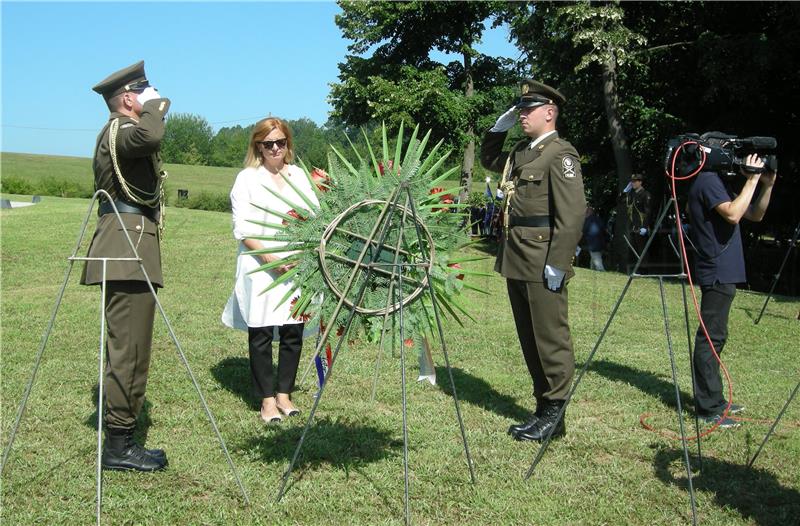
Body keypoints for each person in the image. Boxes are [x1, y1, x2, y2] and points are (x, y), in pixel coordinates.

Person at [481, 79, 586, 442]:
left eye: (528, 110)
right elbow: (489, 159)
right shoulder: (523, 153)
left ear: (549, 112)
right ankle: (543, 408)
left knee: (550, 337)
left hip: (543, 258)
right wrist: (498, 129)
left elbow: (572, 215)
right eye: (520, 110)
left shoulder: (561, 154)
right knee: (529, 337)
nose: (522, 115)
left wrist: (558, 261)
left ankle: (555, 412)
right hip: (517, 255)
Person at [80, 61, 170, 471]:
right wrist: (157, 104)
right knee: (130, 350)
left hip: (129, 242)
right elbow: (152, 134)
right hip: (127, 246)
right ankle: (119, 446)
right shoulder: (122, 131)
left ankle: (121, 436)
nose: (152, 101)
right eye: (144, 95)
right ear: (130, 98)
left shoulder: (119, 133)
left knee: (130, 347)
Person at [222, 117, 319, 424]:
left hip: (297, 263)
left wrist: (301, 257)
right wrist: (271, 260)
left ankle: (284, 394)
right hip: (260, 264)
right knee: (261, 330)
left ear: (287, 143)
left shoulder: (300, 176)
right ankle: (266, 401)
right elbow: (242, 228)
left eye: (280, 142)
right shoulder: (247, 179)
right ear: (258, 147)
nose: (275, 148)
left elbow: (314, 216)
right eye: (268, 144)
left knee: (294, 329)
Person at [687, 153, 776, 428]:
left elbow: (754, 214)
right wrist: (751, 178)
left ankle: (714, 399)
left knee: (717, 336)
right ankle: (707, 408)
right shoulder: (707, 180)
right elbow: (734, 214)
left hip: (723, 270)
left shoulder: (717, 181)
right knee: (710, 338)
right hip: (716, 270)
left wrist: (766, 184)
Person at [623, 173, 652, 272]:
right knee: (634, 249)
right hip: (633, 226)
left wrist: (645, 226)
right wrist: (624, 191)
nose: (633, 183)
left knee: (642, 250)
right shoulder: (631, 194)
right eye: (632, 181)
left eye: (635, 181)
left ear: (640, 182)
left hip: (641, 227)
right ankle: (635, 269)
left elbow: (648, 212)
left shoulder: (645, 194)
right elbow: (619, 201)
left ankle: (644, 270)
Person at [582, 206, 606, 271]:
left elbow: (584, 230)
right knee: (593, 259)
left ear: (588, 213)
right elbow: (603, 229)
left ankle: (601, 271)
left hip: (594, 243)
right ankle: (592, 271)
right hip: (600, 242)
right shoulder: (597, 219)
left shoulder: (588, 220)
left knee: (597, 260)